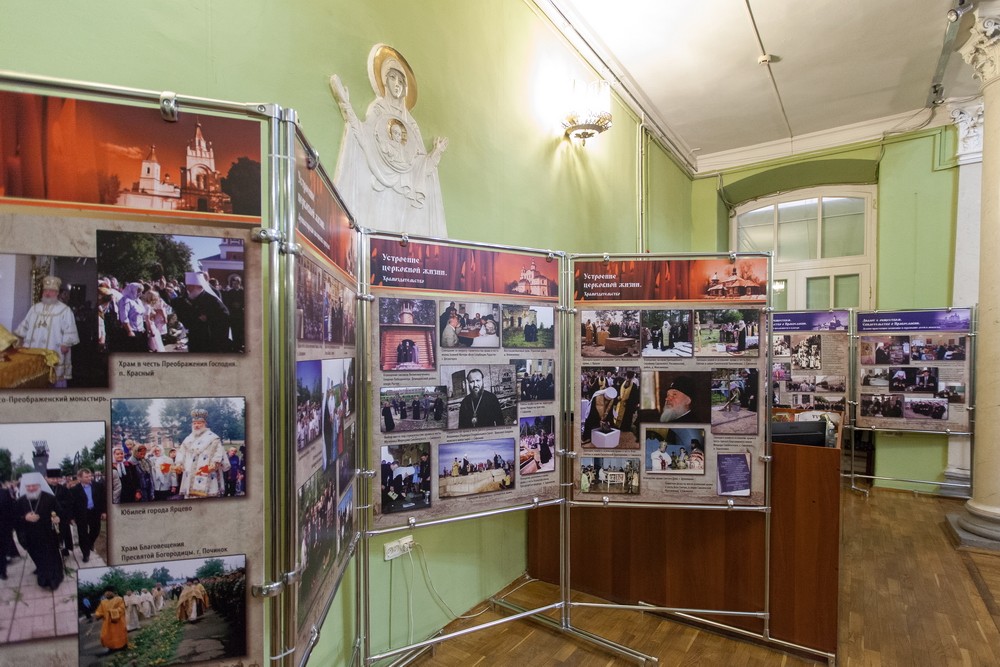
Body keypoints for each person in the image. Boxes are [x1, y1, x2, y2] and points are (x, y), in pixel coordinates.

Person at [329, 49, 449, 238]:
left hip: (404, 198)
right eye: (393, 77)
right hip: (378, 186)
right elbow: (363, 136)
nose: (397, 83)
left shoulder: (411, 124)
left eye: (401, 81)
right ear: (384, 80)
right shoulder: (378, 110)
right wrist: (346, 104)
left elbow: (420, 166)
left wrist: (436, 153)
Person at [12, 275, 79, 386]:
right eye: (45, 290)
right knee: (34, 378)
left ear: (57, 293)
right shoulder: (34, 308)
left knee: (55, 380)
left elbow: (70, 329)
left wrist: (66, 343)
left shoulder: (65, 310)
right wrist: (19, 339)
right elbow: (25, 325)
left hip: (55, 349)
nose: (48, 293)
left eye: (51, 291)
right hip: (34, 349)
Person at [14, 472, 64, 590]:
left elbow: (59, 512)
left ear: (39, 485)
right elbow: (15, 518)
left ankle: (54, 579)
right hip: (30, 536)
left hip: (48, 534)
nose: (31, 488)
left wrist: (57, 518)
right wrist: (25, 517)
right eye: (28, 486)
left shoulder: (49, 498)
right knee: (38, 557)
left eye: (34, 485)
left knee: (51, 557)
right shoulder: (21, 501)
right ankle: (43, 577)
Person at [174, 407, 230, 498]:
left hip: (207, 474)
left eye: (199, 423)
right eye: (194, 423)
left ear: (205, 424)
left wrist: (215, 463)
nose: (196, 425)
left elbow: (219, 453)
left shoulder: (213, 438)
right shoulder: (188, 439)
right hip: (190, 475)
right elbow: (181, 452)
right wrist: (179, 463)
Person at [172, 272, 232, 353]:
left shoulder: (211, 299)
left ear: (199, 286)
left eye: (190, 287)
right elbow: (179, 309)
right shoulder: (187, 299)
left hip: (209, 339)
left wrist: (208, 317)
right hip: (194, 338)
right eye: (187, 286)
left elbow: (225, 315)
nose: (188, 289)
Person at [69, 467, 105, 563]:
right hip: (81, 514)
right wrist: (71, 517)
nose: (89, 478)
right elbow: (71, 504)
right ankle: (86, 554)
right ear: (79, 478)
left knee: (96, 530)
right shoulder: (74, 490)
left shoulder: (98, 486)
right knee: (82, 534)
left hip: (94, 512)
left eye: (90, 476)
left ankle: (90, 543)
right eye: (86, 477)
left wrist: (103, 512)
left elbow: (102, 499)